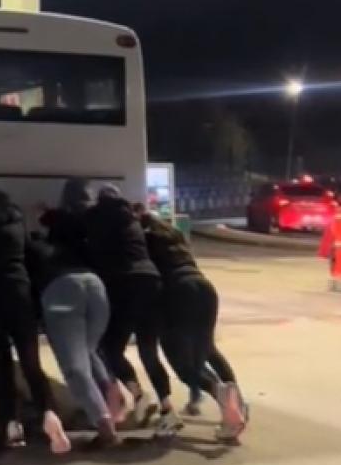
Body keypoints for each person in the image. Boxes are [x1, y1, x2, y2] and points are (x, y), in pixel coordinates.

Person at [0, 190, 70, 454]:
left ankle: (12, 426)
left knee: (3, 365)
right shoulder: (17, 225)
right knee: (31, 363)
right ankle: (50, 415)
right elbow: (31, 254)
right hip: (20, 293)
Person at [139, 210, 247, 441]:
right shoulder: (174, 234)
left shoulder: (145, 240)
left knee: (183, 365)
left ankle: (221, 393)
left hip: (177, 292)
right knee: (208, 349)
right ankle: (237, 404)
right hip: (203, 286)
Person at [85, 185, 182, 438]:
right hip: (151, 281)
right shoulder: (131, 218)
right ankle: (167, 408)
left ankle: (138, 394)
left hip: (124, 284)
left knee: (110, 348)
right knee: (149, 350)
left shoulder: (97, 216)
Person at [34, 179, 122, 447]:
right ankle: (111, 395)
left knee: (75, 367)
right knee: (89, 350)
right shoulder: (97, 219)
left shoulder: (61, 220)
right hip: (96, 286)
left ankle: (104, 424)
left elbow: (56, 222)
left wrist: (44, 214)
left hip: (63, 287)